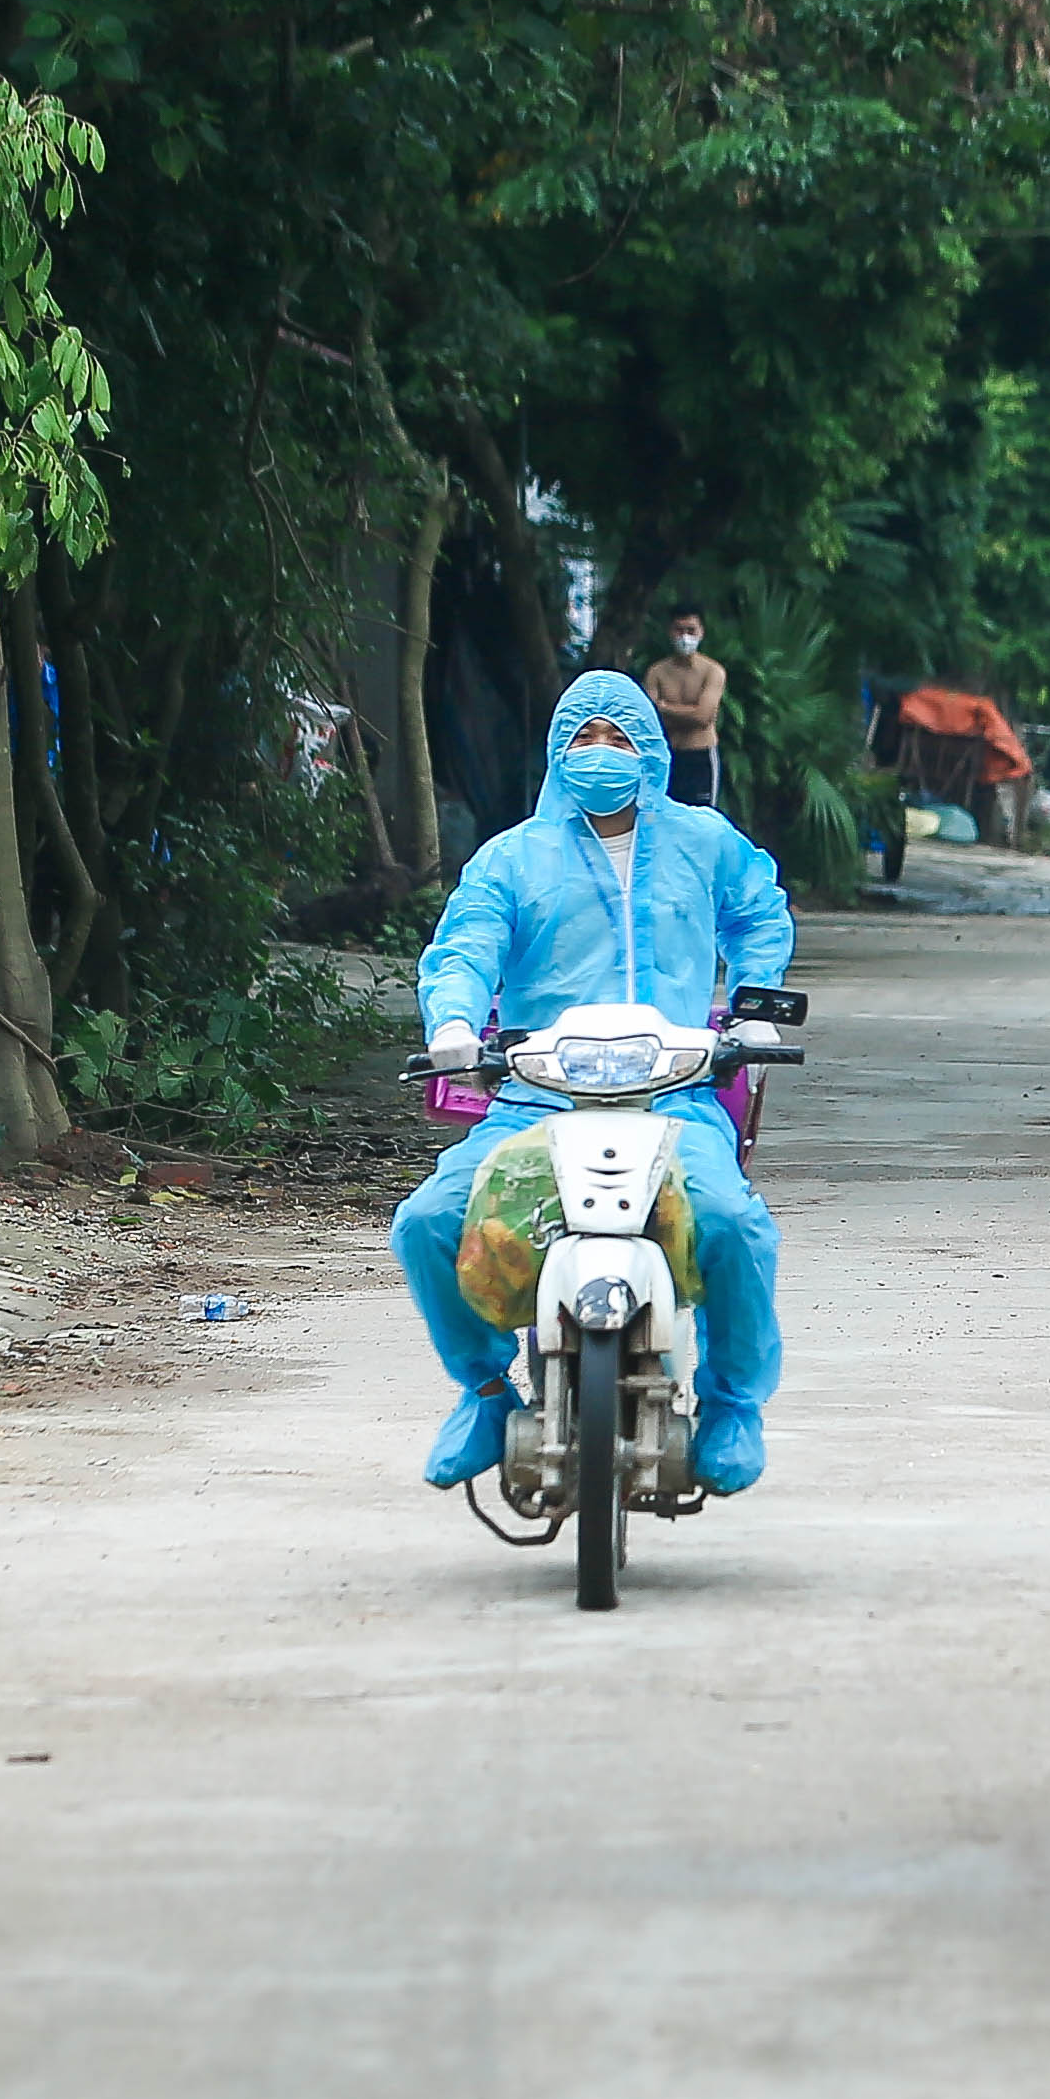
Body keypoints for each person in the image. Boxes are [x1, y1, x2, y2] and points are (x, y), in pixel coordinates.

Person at [392, 672, 795, 1495]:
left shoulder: (704, 842)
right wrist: (454, 1028)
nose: (602, 755)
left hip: (675, 1094)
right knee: (429, 1221)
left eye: (619, 738)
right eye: (585, 739)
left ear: (650, 750)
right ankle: (482, 1393)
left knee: (731, 1226)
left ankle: (730, 1406)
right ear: (556, 752)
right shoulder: (512, 858)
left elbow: (758, 913)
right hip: (537, 1098)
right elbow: (464, 947)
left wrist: (753, 1006)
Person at [644, 607, 729, 809]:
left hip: (701, 758)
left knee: (705, 821)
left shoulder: (712, 671)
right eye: (679, 630)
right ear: (670, 632)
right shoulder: (657, 672)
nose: (685, 637)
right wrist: (688, 712)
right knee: (663, 818)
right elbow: (651, 718)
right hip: (668, 757)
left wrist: (664, 707)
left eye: (691, 630)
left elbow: (703, 716)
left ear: (701, 632)